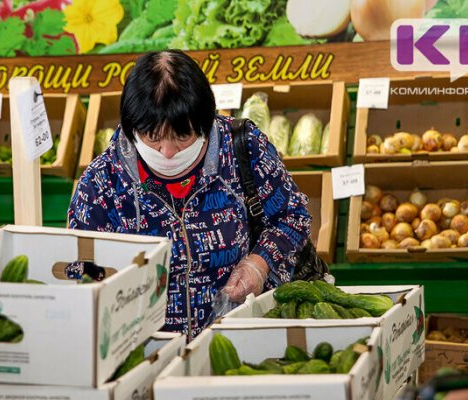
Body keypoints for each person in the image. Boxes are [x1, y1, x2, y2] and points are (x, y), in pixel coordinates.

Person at [68, 50, 312, 340]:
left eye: (182, 136)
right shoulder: (102, 183)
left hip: (239, 340)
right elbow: (80, 275)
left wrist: (258, 265)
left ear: (205, 123)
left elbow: (292, 216)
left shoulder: (242, 149)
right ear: (132, 128)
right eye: (152, 137)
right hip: (146, 353)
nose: (168, 152)